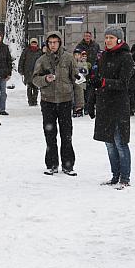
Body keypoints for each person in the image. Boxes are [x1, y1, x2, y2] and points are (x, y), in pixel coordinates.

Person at [32, 31, 84, 176]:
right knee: (50, 134)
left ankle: (68, 165)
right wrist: (45, 80)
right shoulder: (42, 60)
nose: (52, 45)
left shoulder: (68, 59)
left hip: (65, 101)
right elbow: (35, 79)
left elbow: (78, 80)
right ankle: (51, 164)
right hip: (48, 101)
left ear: (60, 43)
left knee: (66, 134)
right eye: (50, 42)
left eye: (55, 42)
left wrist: (79, 102)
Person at [88, 26, 134, 189]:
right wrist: (93, 84)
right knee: (108, 142)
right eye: (106, 37)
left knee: (120, 142)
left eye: (111, 38)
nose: (108, 41)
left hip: (118, 104)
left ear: (119, 39)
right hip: (104, 104)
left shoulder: (126, 57)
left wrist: (105, 82)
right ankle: (115, 175)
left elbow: (124, 83)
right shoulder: (102, 56)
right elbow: (98, 78)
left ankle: (125, 177)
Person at [18, 37, 42, 107]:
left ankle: (34, 100)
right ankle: (30, 101)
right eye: (32, 43)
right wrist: (21, 70)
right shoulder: (26, 51)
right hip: (27, 71)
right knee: (29, 87)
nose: (33, 44)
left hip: (36, 72)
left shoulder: (39, 52)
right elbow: (22, 60)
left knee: (36, 87)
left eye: (35, 43)